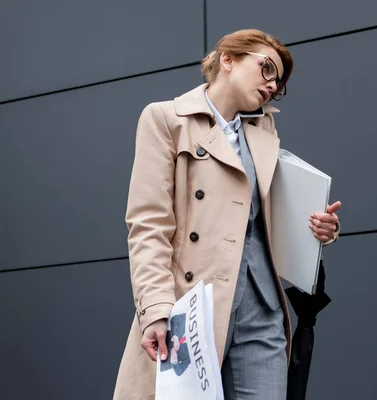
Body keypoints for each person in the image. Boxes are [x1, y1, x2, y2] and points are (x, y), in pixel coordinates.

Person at [113, 29, 342, 400]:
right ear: (228, 58)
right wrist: (156, 308)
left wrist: (321, 229)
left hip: (262, 308)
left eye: (279, 82)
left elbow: (270, 217)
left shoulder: (263, 131)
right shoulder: (166, 119)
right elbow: (148, 225)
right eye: (267, 69)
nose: (272, 85)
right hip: (193, 306)